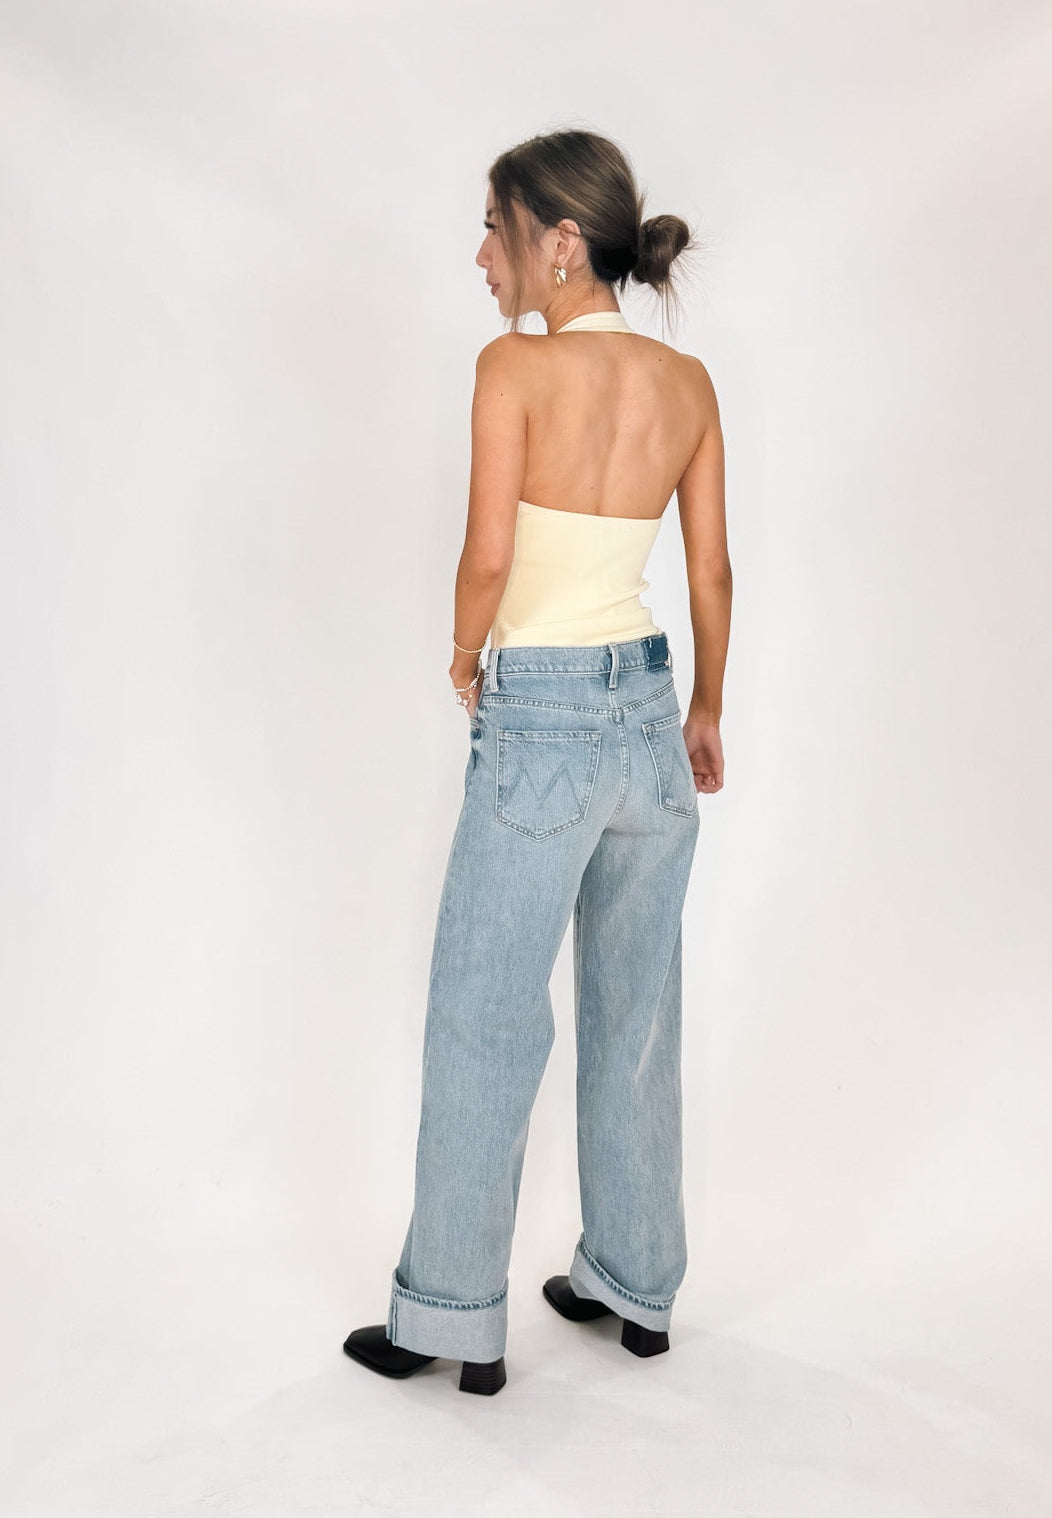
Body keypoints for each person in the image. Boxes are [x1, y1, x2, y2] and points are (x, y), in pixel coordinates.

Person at [343, 129, 730, 1396]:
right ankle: (634, 1285)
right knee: (638, 1015)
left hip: (543, 721)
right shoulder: (687, 385)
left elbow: (489, 555)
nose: (480, 255)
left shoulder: (511, 366)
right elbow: (711, 571)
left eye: (492, 228)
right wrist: (704, 709)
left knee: (484, 1016)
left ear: (560, 242)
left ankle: (452, 1316)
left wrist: (465, 655)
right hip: (649, 718)